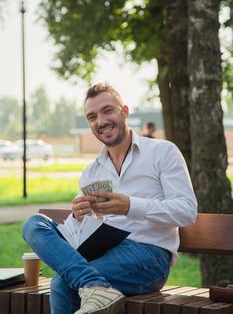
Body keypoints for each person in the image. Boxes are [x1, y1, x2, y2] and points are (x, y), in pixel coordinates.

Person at [22, 83, 197, 314]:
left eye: (107, 111)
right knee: (34, 223)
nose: (101, 121)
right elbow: (83, 231)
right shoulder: (91, 172)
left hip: (149, 254)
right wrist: (77, 216)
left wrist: (131, 206)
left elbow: (187, 211)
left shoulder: (163, 152)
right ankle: (94, 286)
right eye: (92, 116)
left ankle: (92, 286)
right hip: (103, 251)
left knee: (62, 285)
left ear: (124, 111)